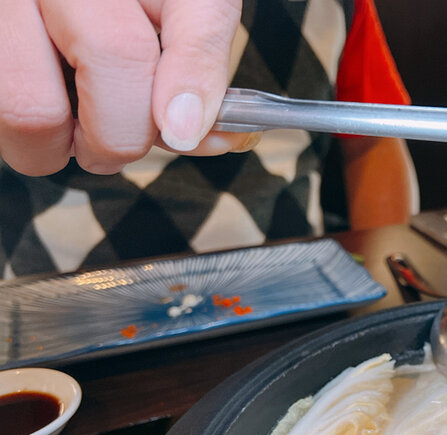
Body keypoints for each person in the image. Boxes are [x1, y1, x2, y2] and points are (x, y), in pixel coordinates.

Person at [0, 0, 418, 278]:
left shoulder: (343, 6)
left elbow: (371, 142)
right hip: (50, 293)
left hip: (291, 285)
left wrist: (384, 276)